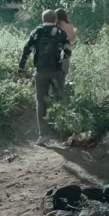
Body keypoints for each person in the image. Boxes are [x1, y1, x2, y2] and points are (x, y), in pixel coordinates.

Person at [18, 10, 71, 145]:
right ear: (54, 20)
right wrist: (64, 69)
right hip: (57, 72)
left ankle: (43, 135)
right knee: (60, 102)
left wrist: (21, 67)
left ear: (43, 19)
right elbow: (68, 51)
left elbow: (26, 49)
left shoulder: (36, 32)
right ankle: (62, 135)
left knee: (41, 103)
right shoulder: (61, 33)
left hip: (41, 73)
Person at [55, 8, 76, 77]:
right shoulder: (70, 26)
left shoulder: (57, 26)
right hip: (68, 50)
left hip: (57, 51)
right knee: (65, 72)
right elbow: (73, 39)